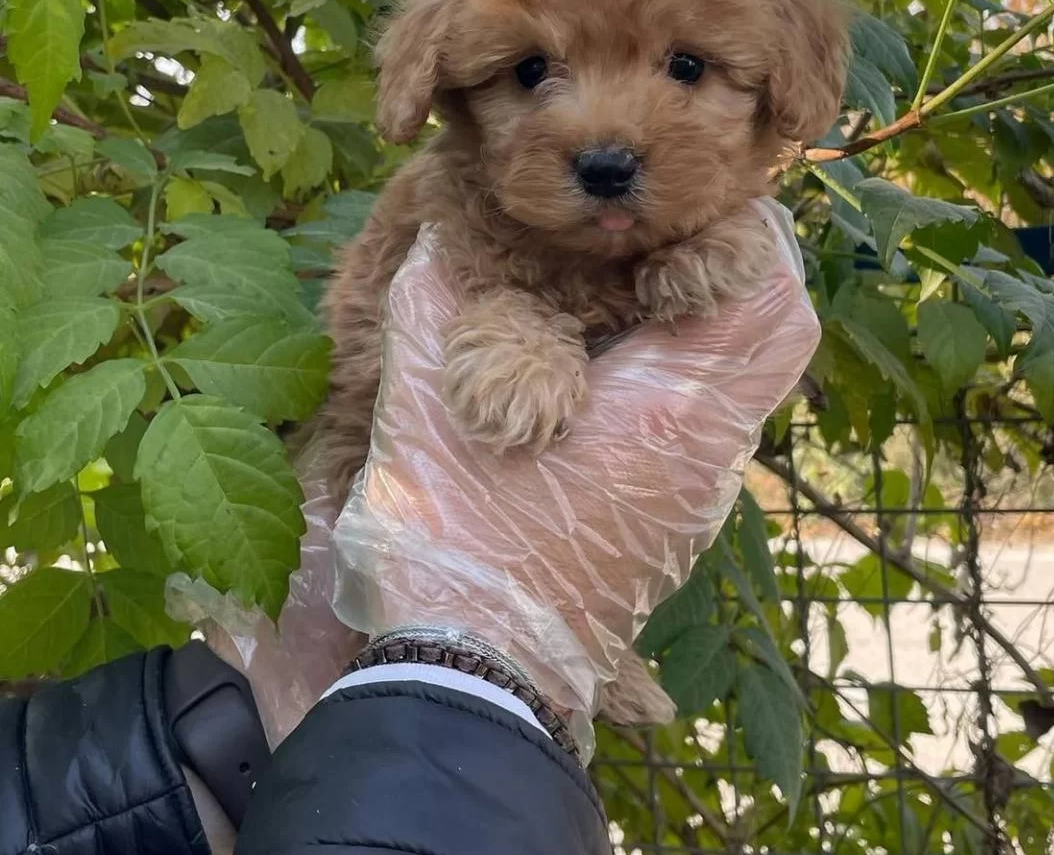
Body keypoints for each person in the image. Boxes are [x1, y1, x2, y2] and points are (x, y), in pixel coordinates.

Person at [0, 202, 818, 855]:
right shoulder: (467, 205)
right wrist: (471, 653)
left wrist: (235, 726)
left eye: (683, 67)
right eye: (534, 72)